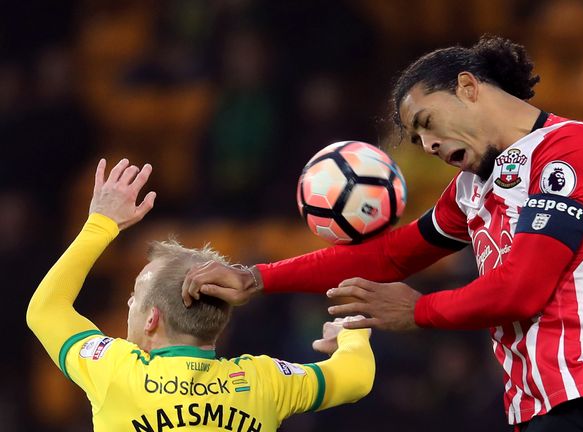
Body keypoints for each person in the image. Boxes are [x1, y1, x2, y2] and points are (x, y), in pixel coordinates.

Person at [183, 36, 583, 431]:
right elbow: (391, 255)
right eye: (418, 140)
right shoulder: (474, 187)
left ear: (467, 87)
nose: (430, 145)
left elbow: (521, 291)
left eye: (427, 123)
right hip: (535, 412)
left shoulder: (571, 152)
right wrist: (259, 278)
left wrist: (414, 310)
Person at [27, 158, 374, 432]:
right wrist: (351, 333)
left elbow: (45, 310)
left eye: (136, 294)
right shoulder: (263, 381)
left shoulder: (115, 372)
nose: (129, 302)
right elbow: (356, 378)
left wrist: (100, 223)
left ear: (152, 318)